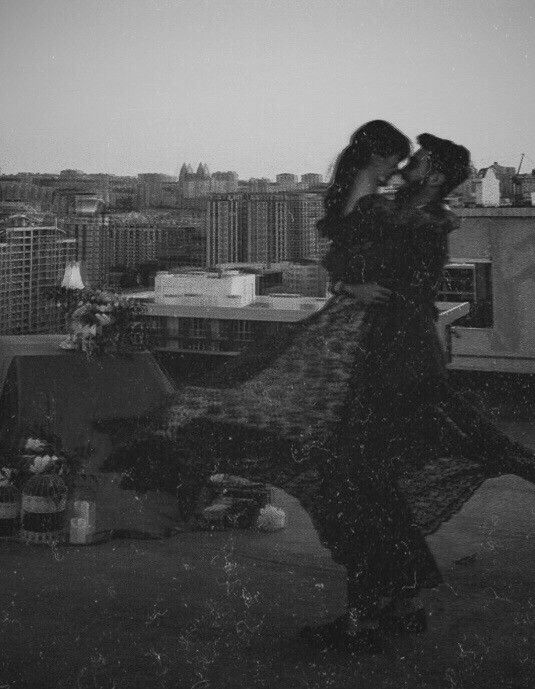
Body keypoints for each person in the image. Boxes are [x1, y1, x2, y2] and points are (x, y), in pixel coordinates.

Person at [168, 126, 535, 652]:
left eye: (422, 156)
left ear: (435, 173)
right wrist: (351, 275)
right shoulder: (405, 214)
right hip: (390, 357)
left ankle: (369, 614)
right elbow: (345, 250)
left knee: (355, 483)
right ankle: (401, 603)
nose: (412, 159)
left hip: (394, 362)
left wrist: (366, 175)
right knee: (369, 482)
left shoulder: (414, 219)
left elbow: (353, 240)